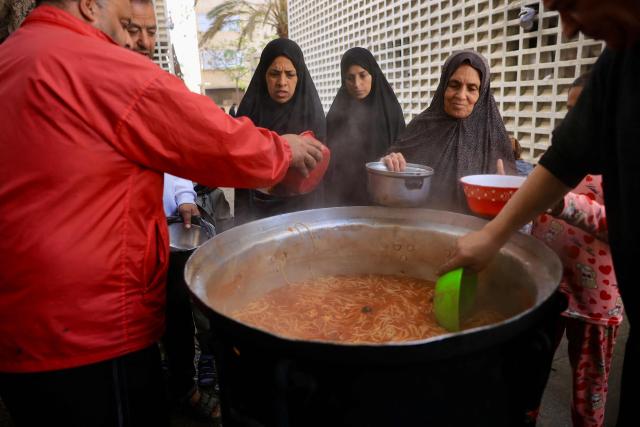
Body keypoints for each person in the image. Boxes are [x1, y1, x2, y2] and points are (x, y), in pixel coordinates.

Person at [0, 1, 324, 426]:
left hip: (20, 334)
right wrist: (284, 149)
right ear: (90, 5)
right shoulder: (95, 62)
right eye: (128, 18)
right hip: (88, 333)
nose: (135, 35)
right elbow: (209, 137)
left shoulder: (14, 55)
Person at [441, 1, 640, 426]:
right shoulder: (618, 61)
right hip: (558, 291)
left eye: (566, 6)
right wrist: (495, 235)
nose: (566, 30)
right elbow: (565, 156)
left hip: (599, 303)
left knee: (591, 394)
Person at [128, 0, 219, 419]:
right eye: (132, 29)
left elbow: (174, 162)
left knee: (177, 314)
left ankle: (185, 389)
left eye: (149, 31)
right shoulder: (97, 87)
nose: (143, 41)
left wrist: (184, 199)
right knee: (135, 331)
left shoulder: (154, 86)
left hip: (169, 231)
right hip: (122, 242)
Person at [525, 74, 623, 427]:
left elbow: (618, 224)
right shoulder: (561, 163)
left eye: (585, 112)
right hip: (549, 292)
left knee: (589, 390)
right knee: (529, 373)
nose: (575, 122)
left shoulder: (624, 167)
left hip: (596, 304)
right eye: (569, 112)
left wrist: (561, 203)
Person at [382, 50, 516, 213]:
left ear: (482, 94)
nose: (461, 95)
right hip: (421, 226)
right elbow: (389, 179)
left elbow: (513, 202)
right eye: (454, 85)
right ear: (443, 86)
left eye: (472, 88)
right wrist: (390, 162)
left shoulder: (493, 136)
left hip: (476, 232)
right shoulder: (422, 126)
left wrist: (505, 190)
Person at [234, 38, 327, 224]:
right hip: (256, 212)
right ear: (263, 76)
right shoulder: (248, 116)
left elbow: (319, 170)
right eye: (274, 73)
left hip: (303, 213)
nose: (282, 82)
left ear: (299, 76)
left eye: (290, 74)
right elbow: (237, 162)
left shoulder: (312, 115)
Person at [324, 47, 405, 206]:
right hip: (342, 201)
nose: (357, 84)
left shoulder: (390, 111)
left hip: (382, 199)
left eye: (363, 75)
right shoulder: (336, 113)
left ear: (372, 74)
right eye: (350, 78)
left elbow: (402, 151)